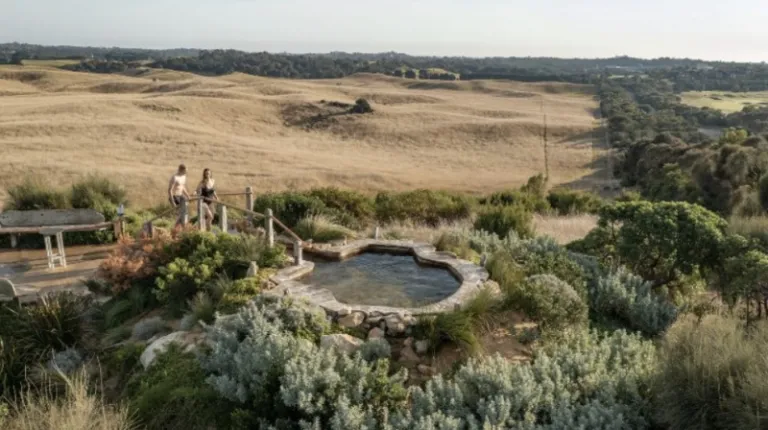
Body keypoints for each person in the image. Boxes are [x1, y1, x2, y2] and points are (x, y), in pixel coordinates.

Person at [168, 164, 191, 228]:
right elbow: (170, 190)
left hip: (181, 196)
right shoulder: (175, 177)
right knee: (180, 213)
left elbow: (182, 187)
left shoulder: (184, 176)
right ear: (181, 170)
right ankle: (178, 228)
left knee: (184, 212)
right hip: (175, 196)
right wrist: (173, 202)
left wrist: (187, 195)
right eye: (185, 171)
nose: (186, 172)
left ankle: (180, 227)